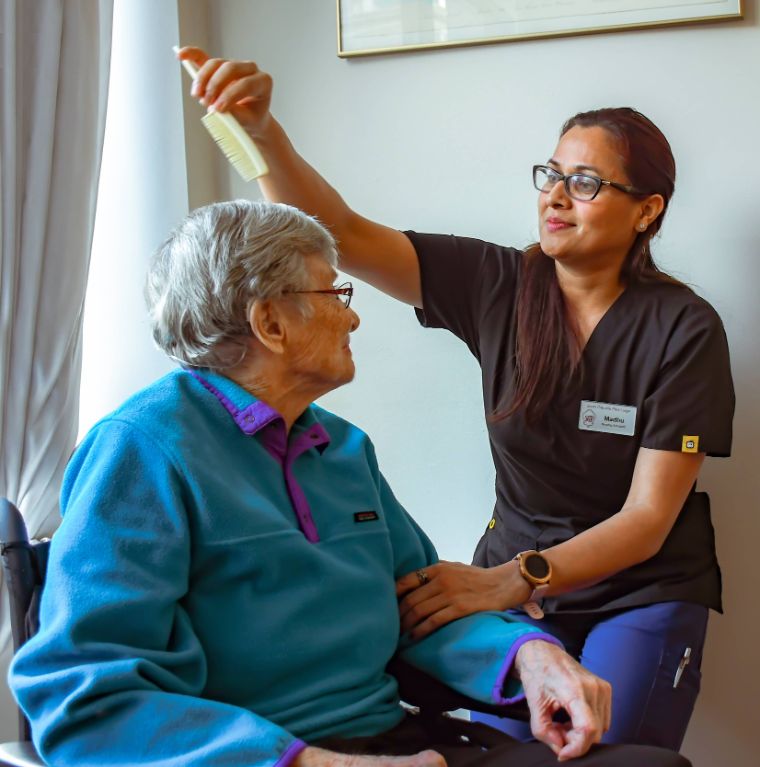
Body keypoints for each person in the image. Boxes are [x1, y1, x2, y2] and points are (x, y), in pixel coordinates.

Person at [175, 47, 735, 752]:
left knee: (608, 749)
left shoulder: (683, 329)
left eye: (587, 183)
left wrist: (508, 578)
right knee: (513, 750)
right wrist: (262, 133)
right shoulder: (496, 283)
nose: (556, 196)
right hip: (513, 588)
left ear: (647, 210)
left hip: (636, 588)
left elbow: (649, 518)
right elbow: (341, 236)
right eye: (552, 175)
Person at [9, 200, 688, 767]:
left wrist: (529, 655)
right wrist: (309, 763)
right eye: (335, 293)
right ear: (270, 322)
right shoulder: (141, 451)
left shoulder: (340, 446)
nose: (354, 314)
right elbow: (82, 695)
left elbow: (424, 607)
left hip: (394, 738)